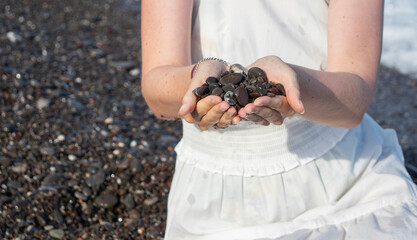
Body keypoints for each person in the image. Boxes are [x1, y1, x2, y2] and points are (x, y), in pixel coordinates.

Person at [141, 0, 417, 239]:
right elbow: (156, 93)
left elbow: (353, 104)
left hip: (349, 181)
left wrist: (295, 84)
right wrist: (197, 79)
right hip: (215, 195)